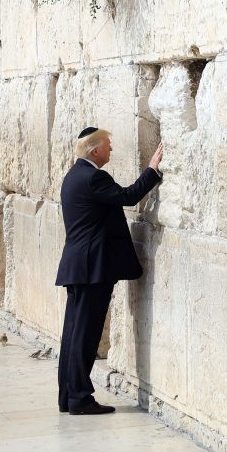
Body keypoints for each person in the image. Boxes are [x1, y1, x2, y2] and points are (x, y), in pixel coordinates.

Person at [54, 126, 163, 415]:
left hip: (78, 265)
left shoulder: (73, 176)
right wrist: (152, 169)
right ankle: (79, 399)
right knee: (85, 334)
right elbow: (128, 196)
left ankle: (68, 396)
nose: (111, 149)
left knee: (74, 333)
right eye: (108, 145)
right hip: (93, 268)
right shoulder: (93, 177)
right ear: (95, 150)